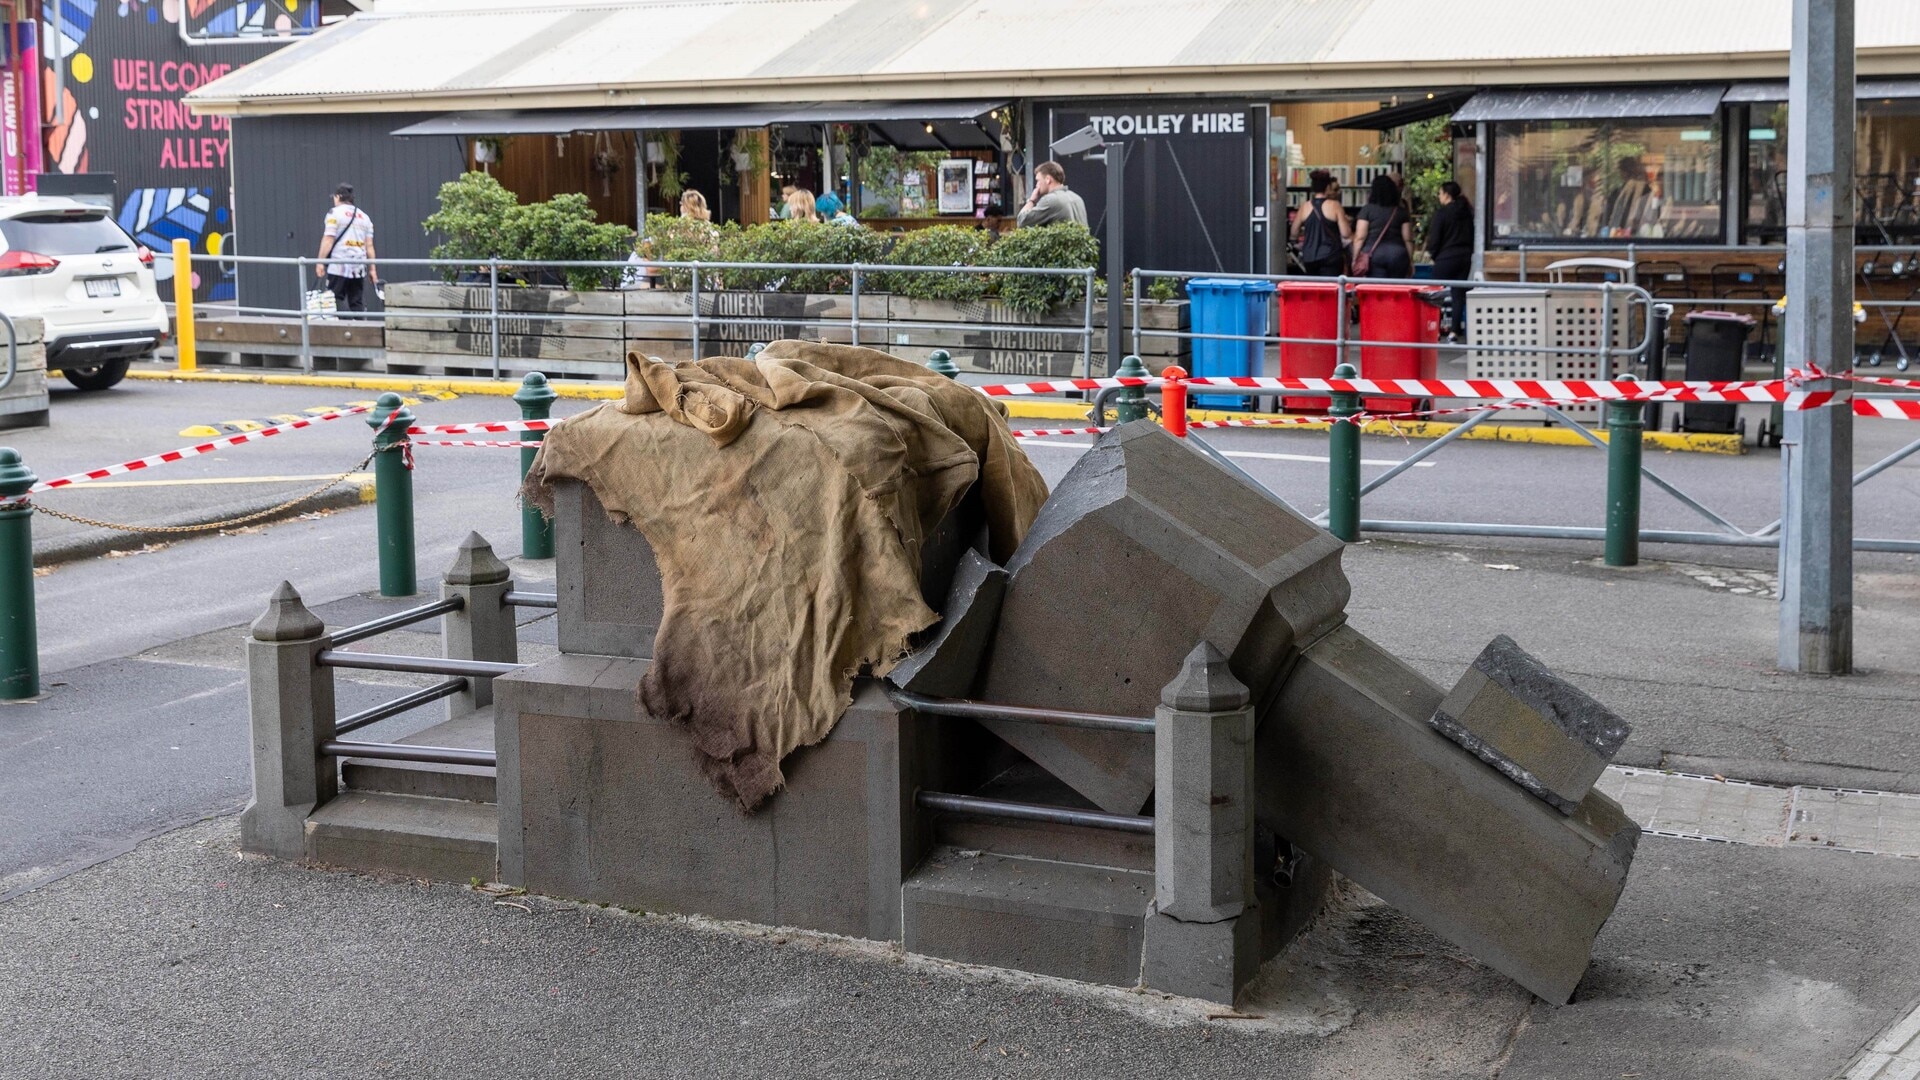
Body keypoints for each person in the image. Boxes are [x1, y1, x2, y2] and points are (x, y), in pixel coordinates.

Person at [316, 182, 376, 312]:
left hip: (339, 265)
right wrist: (372, 269)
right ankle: (359, 328)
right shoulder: (364, 217)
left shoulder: (334, 214)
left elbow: (328, 239)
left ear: (338, 197)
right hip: (359, 266)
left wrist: (320, 262)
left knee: (334, 299)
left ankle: (343, 327)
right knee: (357, 302)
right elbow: (369, 246)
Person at [1427, 180, 1475, 339]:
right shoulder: (1467, 212)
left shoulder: (1442, 213)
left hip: (1446, 257)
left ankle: (1435, 328)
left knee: (1435, 293)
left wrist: (1433, 255)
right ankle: (1454, 331)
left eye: (1440, 193)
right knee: (1458, 294)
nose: (1439, 196)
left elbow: (1435, 239)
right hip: (1464, 257)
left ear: (1447, 195)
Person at [1350, 174, 1413, 279]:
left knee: (1377, 290)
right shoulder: (1401, 212)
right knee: (1396, 290)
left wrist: (1355, 259)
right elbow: (1408, 239)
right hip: (1398, 255)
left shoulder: (1367, 210)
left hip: (1373, 256)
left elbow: (1360, 237)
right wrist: (1411, 261)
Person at [1289, 170, 1350, 276]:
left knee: (1314, 289)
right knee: (1330, 289)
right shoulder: (1335, 206)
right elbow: (1346, 233)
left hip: (1309, 257)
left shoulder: (1305, 207)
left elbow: (1294, 232)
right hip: (1331, 257)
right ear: (1328, 187)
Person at [1016, 161, 1087, 228]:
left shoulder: (1050, 200)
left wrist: (1031, 201)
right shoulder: (1077, 198)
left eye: (1038, 180)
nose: (1037, 185)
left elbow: (1022, 221)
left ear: (1048, 179)